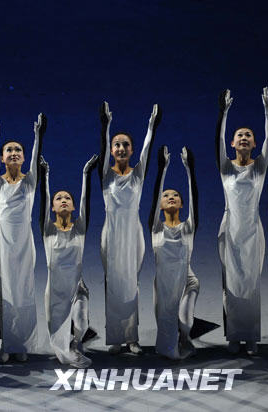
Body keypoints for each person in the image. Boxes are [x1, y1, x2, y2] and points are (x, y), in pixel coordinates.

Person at [98, 101, 161, 355]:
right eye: (117, 144)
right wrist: (107, 125)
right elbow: (102, 147)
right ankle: (115, 337)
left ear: (131, 150)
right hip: (111, 232)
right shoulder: (106, 175)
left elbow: (148, 149)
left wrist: (150, 125)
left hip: (133, 233)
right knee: (113, 284)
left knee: (132, 283)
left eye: (126, 145)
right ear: (112, 151)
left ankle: (132, 337)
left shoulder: (138, 174)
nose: (121, 148)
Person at [0, 113, 45, 363]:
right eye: (8, 150)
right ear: (2, 157)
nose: (13, 153)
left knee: (23, 292)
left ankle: (20, 343)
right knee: (4, 293)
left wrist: (37, 136)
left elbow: (35, 158)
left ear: (22, 157)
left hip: (23, 243)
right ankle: (6, 344)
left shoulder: (30, 182)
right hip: (2, 242)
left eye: (17, 150)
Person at [216, 88, 268, 355]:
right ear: (234, 144)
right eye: (240, 136)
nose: (245, 138)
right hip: (230, 230)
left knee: (251, 283)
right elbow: (219, 140)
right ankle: (234, 336)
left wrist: (267, 111)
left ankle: (250, 337)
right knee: (231, 283)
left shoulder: (259, 167)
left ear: (254, 143)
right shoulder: (226, 167)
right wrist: (223, 112)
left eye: (249, 135)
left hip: (252, 230)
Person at [39, 154, 97, 367]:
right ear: (53, 208)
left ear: (73, 207)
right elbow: (43, 200)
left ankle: (77, 340)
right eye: (59, 198)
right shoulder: (47, 231)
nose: (63, 200)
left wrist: (85, 174)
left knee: (81, 322)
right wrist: (45, 176)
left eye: (67, 199)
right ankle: (67, 346)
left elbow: (86, 201)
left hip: (77, 287)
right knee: (59, 349)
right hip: (54, 291)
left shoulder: (79, 229)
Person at [149, 146, 200, 359]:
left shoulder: (188, 226)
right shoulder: (156, 228)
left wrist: (190, 169)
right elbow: (153, 196)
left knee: (185, 320)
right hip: (163, 285)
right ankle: (175, 338)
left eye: (176, 195)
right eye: (166, 195)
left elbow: (194, 198)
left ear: (181, 203)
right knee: (165, 336)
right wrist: (162, 169)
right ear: (160, 206)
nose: (171, 197)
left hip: (187, 281)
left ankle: (186, 336)